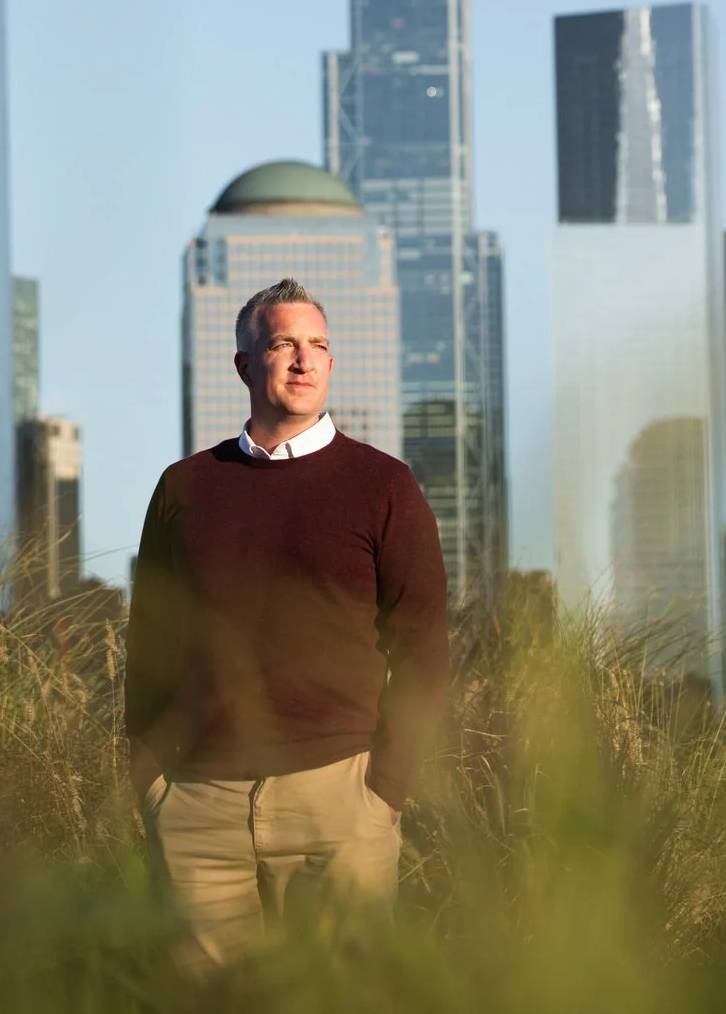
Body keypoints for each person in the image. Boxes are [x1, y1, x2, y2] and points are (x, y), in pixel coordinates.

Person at [125, 275, 449, 966]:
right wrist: (149, 780)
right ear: (244, 365)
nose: (303, 360)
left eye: (317, 346)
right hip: (198, 803)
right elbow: (150, 640)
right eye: (282, 345)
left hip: (338, 796)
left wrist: (386, 790)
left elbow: (422, 644)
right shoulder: (185, 486)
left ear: (331, 363)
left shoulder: (383, 485)